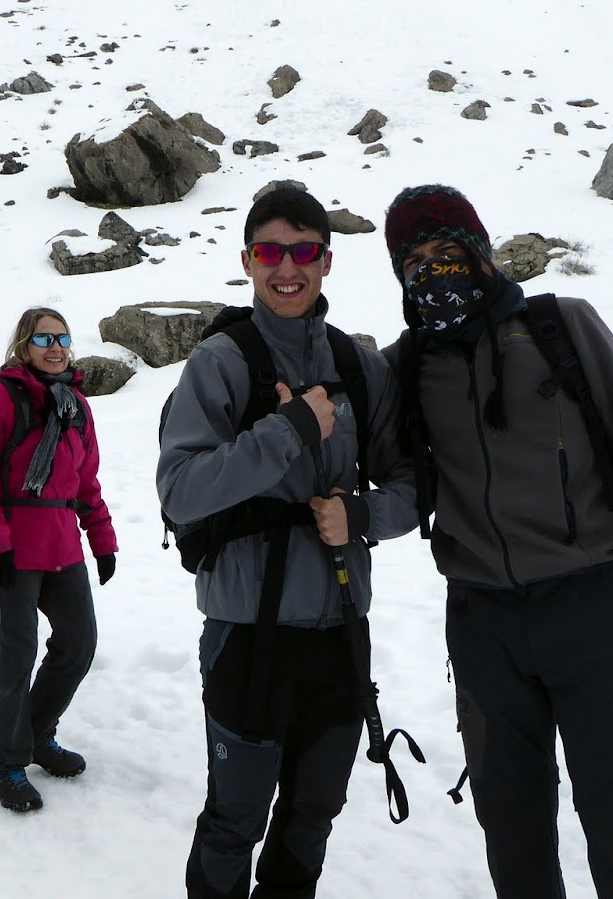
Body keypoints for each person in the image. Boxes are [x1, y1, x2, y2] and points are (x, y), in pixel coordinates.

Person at [380, 184, 613, 899]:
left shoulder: (561, 327)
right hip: (482, 623)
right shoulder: (405, 366)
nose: (434, 270)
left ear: (481, 252)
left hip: (589, 606)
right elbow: (376, 460)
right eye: (415, 261)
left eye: (448, 251)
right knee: (514, 829)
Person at [158, 186, 418, 899]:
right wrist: (290, 431)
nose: (287, 268)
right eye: (270, 251)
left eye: (304, 251)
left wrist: (360, 516)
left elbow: (410, 486)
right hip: (248, 631)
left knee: (311, 817)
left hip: (340, 630)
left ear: (326, 262)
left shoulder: (360, 367)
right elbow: (180, 489)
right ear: (247, 260)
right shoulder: (221, 362)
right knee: (235, 818)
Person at [0, 307, 118, 814]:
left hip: (62, 545)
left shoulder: (75, 406)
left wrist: (102, 538)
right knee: (16, 652)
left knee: (78, 643)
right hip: (10, 547)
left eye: (62, 338)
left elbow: (86, 481)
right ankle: (7, 760)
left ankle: (35, 733)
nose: (55, 348)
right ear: (23, 345)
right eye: (44, 338)